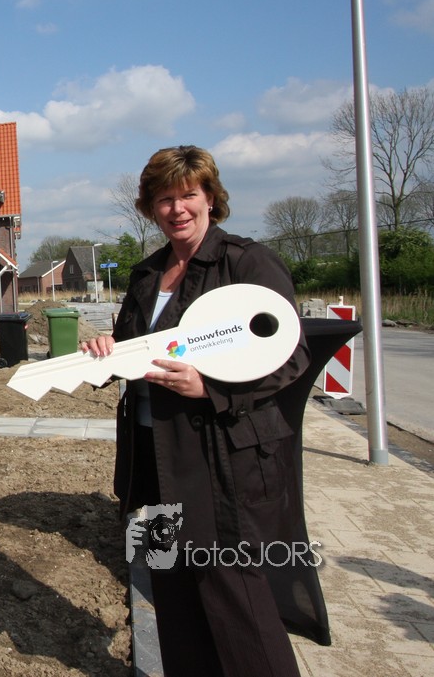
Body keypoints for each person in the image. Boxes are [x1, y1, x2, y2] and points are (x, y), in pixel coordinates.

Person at [82, 146, 312, 677]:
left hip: (219, 459)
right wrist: (104, 353)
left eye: (188, 195)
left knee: (234, 595)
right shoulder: (146, 273)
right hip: (153, 458)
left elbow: (292, 355)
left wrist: (211, 388)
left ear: (211, 198)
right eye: (164, 199)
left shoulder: (246, 262)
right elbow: (133, 350)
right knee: (170, 588)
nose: (177, 209)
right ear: (150, 207)